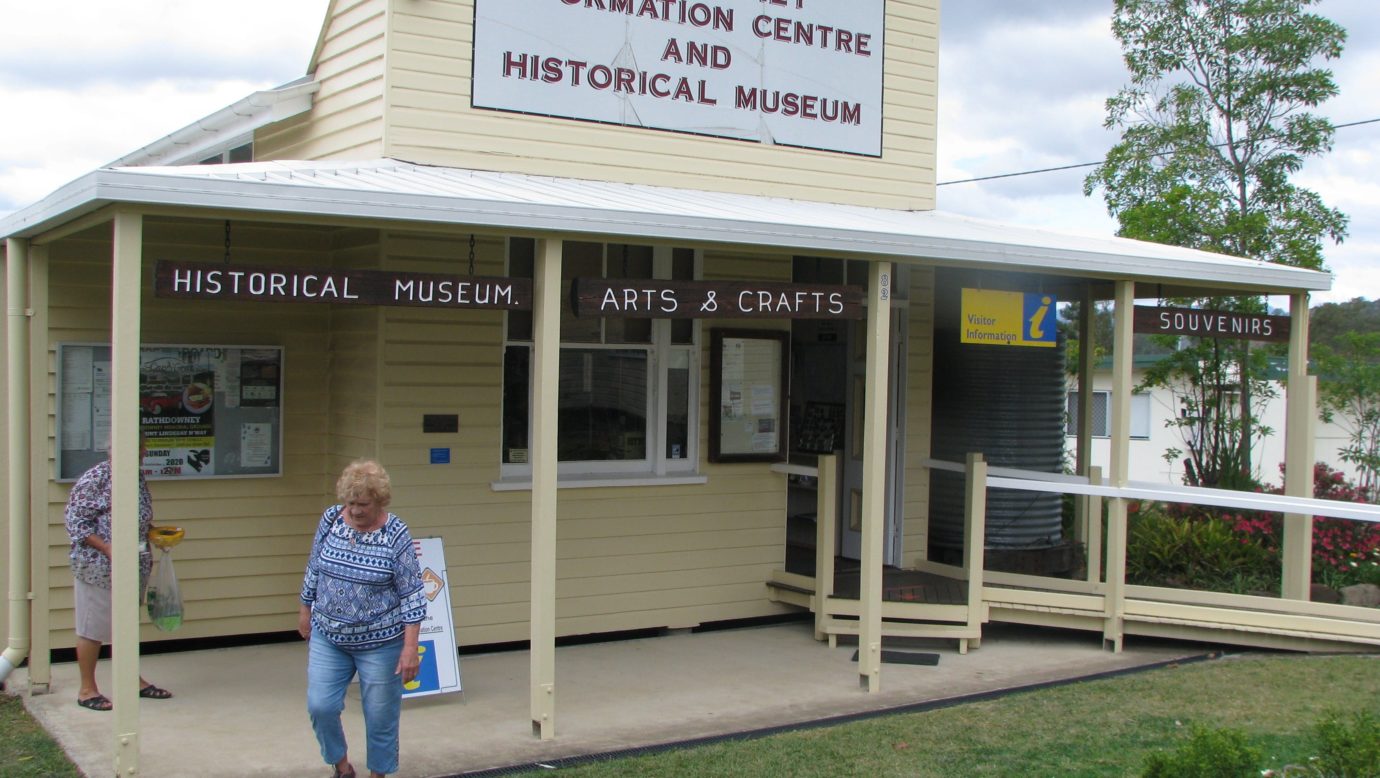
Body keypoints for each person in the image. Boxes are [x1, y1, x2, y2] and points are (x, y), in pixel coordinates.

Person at [299, 460, 425, 778]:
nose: (355, 511)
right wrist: (305, 609)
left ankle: (378, 774)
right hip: (329, 635)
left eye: (363, 504)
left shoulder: (395, 533)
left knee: (380, 716)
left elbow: (412, 594)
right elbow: (314, 566)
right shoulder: (330, 519)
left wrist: (410, 648)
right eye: (350, 503)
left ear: (379, 501)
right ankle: (341, 767)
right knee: (320, 706)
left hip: (381, 643)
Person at [64, 432, 174, 711]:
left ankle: (131, 681)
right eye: (140, 446)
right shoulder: (97, 478)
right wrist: (108, 548)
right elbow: (77, 523)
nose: (145, 451)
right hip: (98, 567)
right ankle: (87, 690)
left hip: (133, 563)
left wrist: (155, 533)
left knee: (124, 624)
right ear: (120, 449)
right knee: (92, 627)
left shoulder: (135, 476)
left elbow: (137, 518)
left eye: (144, 446)